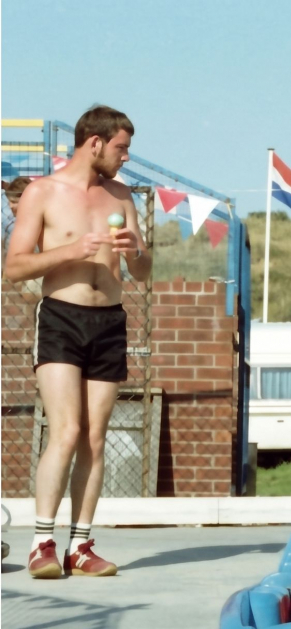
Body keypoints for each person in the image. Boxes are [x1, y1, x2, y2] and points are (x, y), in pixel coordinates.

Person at [5, 105, 152, 578]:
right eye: (121, 148)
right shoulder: (44, 193)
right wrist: (73, 250)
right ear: (95, 142)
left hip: (109, 320)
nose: (125, 158)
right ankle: (42, 542)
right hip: (62, 317)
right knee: (65, 430)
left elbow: (143, 272)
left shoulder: (122, 196)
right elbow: (14, 268)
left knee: (94, 436)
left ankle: (81, 546)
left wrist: (138, 251)